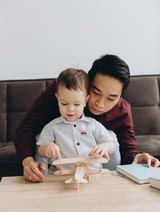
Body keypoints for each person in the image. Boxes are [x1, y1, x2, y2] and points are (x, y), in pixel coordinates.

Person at [14, 54, 160, 183]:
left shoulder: (123, 110)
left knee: (110, 137)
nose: (100, 104)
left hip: (94, 169)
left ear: (120, 96)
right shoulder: (64, 91)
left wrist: (138, 157)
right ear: (88, 83)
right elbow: (26, 127)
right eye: (96, 92)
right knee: (41, 138)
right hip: (56, 160)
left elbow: (128, 148)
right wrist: (28, 162)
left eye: (111, 98)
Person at [36, 68, 115, 175]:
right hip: (61, 174)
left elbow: (111, 144)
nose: (70, 109)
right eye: (64, 103)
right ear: (57, 98)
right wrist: (46, 148)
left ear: (85, 101)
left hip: (92, 173)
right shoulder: (52, 127)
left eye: (77, 104)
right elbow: (40, 150)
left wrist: (105, 146)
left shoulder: (93, 125)